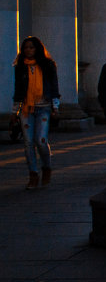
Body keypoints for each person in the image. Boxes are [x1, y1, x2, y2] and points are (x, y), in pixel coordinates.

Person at [11, 36, 60, 190]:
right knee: (28, 143)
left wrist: (55, 107)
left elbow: (54, 87)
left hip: (43, 107)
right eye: (26, 48)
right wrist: (14, 111)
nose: (28, 50)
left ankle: (46, 167)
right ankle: (33, 174)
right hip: (26, 109)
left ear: (37, 48)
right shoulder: (20, 66)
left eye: (31, 47)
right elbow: (18, 89)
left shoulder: (48, 65)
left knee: (41, 140)